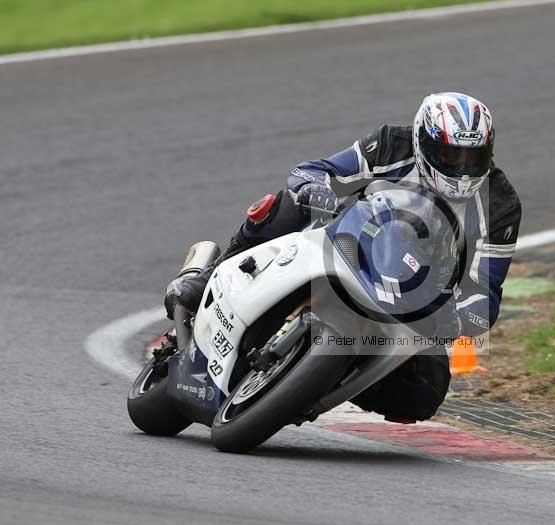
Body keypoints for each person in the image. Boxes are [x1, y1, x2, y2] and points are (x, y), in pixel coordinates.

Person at [165, 92, 521, 422]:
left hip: (417, 299)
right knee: (285, 204)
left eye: (473, 158)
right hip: (351, 243)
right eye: (450, 156)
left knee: (424, 392)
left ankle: (321, 384)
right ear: (421, 141)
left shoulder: (500, 205)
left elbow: (485, 294)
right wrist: (314, 190)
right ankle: (209, 274)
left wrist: (456, 320)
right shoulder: (391, 145)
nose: (461, 169)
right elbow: (313, 170)